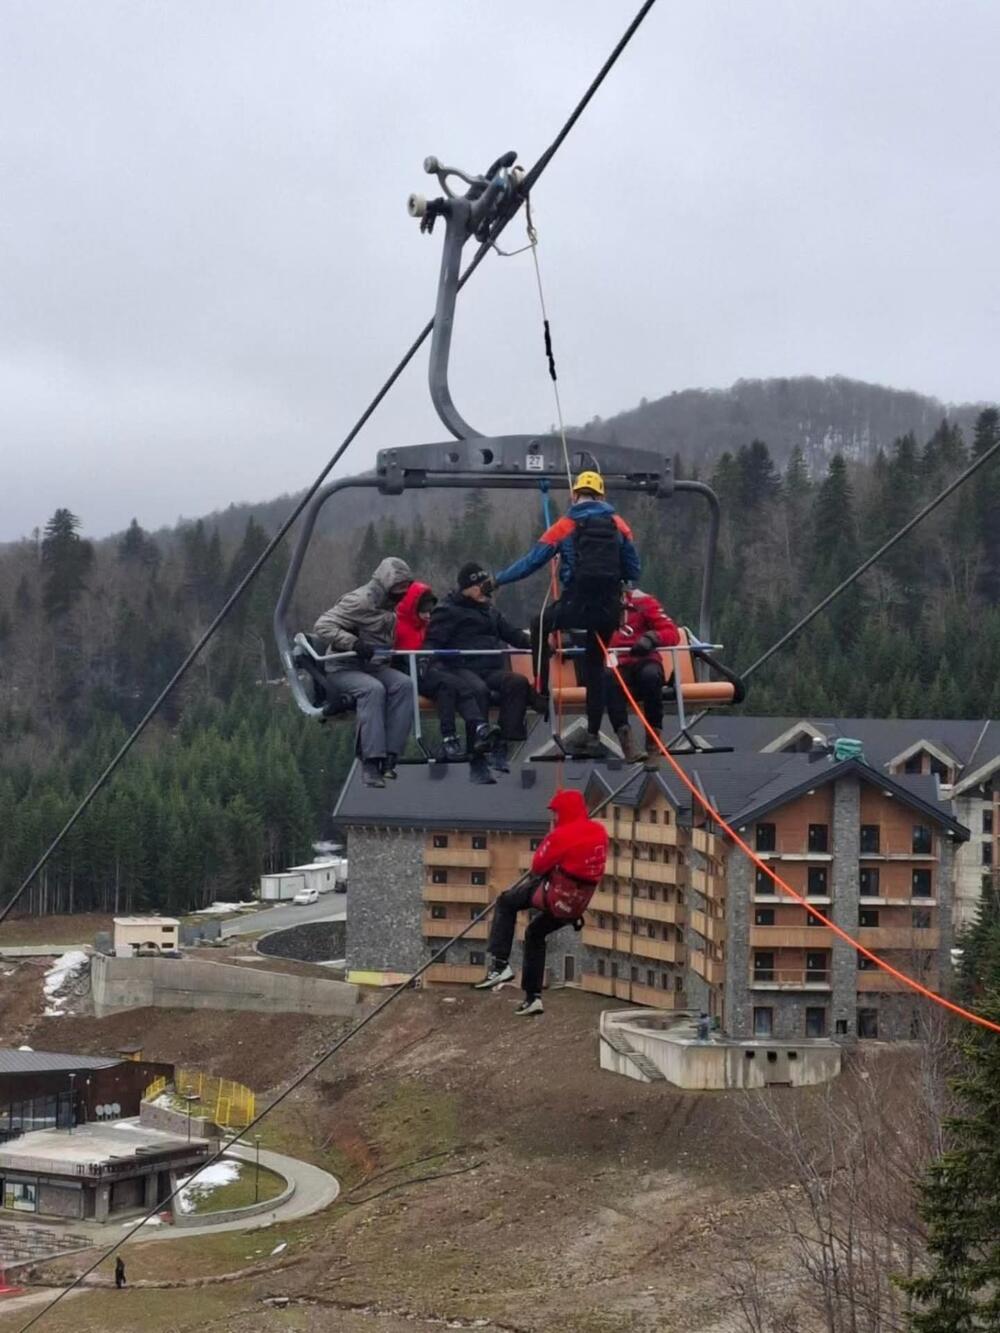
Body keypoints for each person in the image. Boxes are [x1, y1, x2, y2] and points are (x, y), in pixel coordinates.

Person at [492, 470, 640, 758]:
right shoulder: (619, 525)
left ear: (575, 495)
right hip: (608, 608)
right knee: (595, 664)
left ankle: (541, 691)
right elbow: (634, 569)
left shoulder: (566, 525)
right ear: (601, 495)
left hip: (576, 603)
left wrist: (498, 579)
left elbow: (531, 562)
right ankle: (595, 733)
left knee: (540, 623)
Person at [474, 789, 608, 1014]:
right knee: (535, 933)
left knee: (506, 902)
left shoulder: (561, 836)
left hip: (555, 897)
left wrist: (552, 844)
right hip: (576, 905)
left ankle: (500, 964)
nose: (554, 817)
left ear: (564, 812)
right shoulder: (599, 831)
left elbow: (538, 867)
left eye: (556, 813)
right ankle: (533, 997)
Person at [421, 563, 532, 784]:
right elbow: (433, 642)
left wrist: (538, 642)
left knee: (517, 683)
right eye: (479, 586)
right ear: (467, 588)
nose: (484, 590)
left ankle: (501, 742)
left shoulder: (490, 611)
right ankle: (477, 756)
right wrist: (427, 663)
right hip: (461, 668)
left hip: (490, 669)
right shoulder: (448, 610)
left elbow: (514, 635)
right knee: (478, 691)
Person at [313, 556, 416, 788]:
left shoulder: (391, 607)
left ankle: (391, 756)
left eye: (405, 587)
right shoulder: (359, 601)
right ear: (385, 585)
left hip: (375, 666)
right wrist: (353, 643)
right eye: (398, 587)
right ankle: (370, 760)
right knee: (372, 690)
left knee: (404, 685)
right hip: (343, 667)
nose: (402, 592)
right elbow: (322, 625)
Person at [605, 587, 680, 761]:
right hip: (615, 664)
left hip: (644, 659)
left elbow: (672, 633)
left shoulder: (642, 602)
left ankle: (653, 742)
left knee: (650, 676)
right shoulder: (594, 607)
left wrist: (651, 638)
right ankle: (627, 742)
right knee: (609, 678)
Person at [393, 581, 437, 654]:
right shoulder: (395, 625)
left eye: (430, 611)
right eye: (423, 611)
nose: (428, 615)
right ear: (414, 608)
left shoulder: (427, 626)